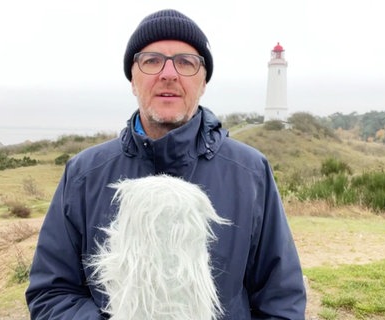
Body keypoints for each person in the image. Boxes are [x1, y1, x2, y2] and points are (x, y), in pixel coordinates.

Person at [26, 8, 307, 319]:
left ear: (203, 82)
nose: (169, 73)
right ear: (132, 78)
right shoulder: (83, 174)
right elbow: (51, 293)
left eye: (186, 62)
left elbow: (282, 299)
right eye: (152, 60)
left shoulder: (251, 171)